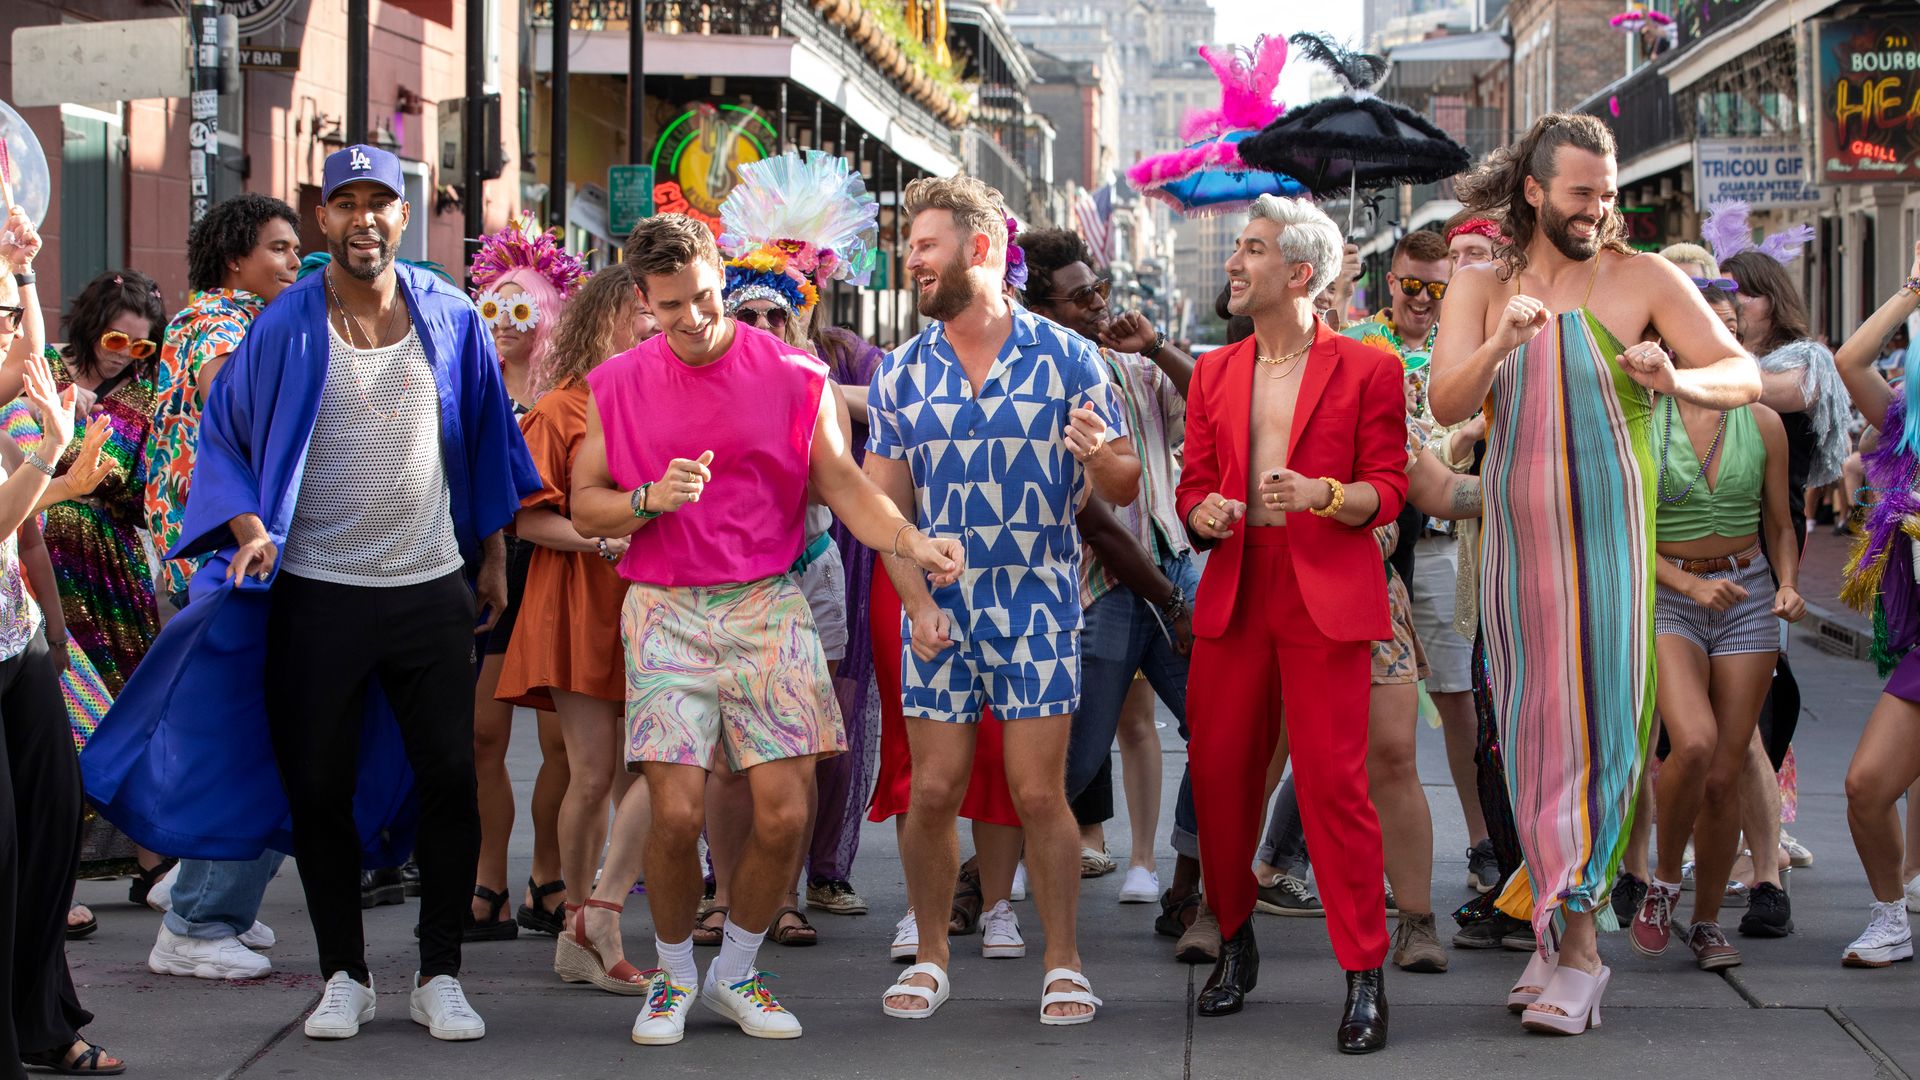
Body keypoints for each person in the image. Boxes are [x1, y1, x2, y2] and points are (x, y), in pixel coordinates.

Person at [80, 144, 541, 1043]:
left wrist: (490, 557)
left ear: (403, 215)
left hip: (426, 589)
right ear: (323, 218)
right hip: (315, 595)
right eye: (345, 203)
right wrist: (249, 533)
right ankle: (346, 974)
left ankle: (441, 972)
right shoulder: (285, 324)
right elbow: (227, 443)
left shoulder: (448, 312)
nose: (363, 217)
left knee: (452, 782)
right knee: (317, 789)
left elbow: (485, 439)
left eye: (381, 201)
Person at [569, 212, 960, 1045]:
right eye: (672, 307)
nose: (696, 319)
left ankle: (737, 972)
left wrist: (908, 540)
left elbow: (845, 485)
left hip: (768, 603)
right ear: (644, 299)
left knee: (786, 811)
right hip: (666, 608)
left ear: (722, 274)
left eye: (706, 297)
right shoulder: (619, 383)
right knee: (674, 815)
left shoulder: (793, 372)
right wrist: (647, 501)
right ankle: (673, 979)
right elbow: (585, 500)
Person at [1432, 113, 1758, 1035]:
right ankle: (1549, 929)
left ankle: (1582, 951)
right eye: (1582, 193)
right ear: (1534, 191)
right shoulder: (1481, 281)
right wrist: (1503, 341)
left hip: (1613, 548)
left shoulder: (1645, 279)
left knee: (1605, 740)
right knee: (1533, 744)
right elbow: (1447, 397)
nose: (1598, 210)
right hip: (1518, 555)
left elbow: (1742, 373)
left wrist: (1676, 380)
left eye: (1607, 194)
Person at [867, 177, 1139, 1026]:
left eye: (927, 245)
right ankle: (934, 956)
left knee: (1037, 793)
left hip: (1039, 605)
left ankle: (1064, 961)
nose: (911, 259)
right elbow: (884, 513)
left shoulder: (1068, 357)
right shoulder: (900, 372)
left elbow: (1125, 484)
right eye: (910, 246)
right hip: (940, 611)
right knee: (934, 792)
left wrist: (1098, 455)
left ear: (979, 249)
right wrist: (916, 604)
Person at [1178, 194, 1407, 1053]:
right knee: (1222, 778)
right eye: (1238, 249)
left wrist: (1329, 496)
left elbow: (1388, 485)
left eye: (1252, 249)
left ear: (1299, 272)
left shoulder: (1368, 368)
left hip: (1325, 594)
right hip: (1239, 585)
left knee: (1333, 787)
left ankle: (1363, 974)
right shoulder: (1213, 371)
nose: (1235, 264)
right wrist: (1204, 516)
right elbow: (1192, 483)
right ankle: (1235, 941)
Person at [142, 192, 301, 981]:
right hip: (227, 562)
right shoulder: (219, 321)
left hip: (240, 560)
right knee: (250, 738)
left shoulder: (253, 320)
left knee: (266, 734)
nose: (293, 260)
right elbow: (234, 397)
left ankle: (208, 891)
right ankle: (198, 917)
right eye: (277, 248)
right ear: (236, 259)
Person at [1018, 226, 1201, 915]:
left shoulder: (1133, 367)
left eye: (1098, 289)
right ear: (1043, 311)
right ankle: (988, 877)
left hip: (1171, 567)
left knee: (1218, 730)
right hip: (1098, 586)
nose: (1098, 304)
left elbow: (1208, 404)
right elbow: (1098, 509)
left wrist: (1153, 345)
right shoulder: (1039, 379)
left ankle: (1186, 882)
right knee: (1073, 756)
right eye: (1079, 297)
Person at [1628, 286, 1805, 972]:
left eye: (1732, 333)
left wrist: (1788, 584)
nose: (1722, 344)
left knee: (1726, 772)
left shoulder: (1761, 422)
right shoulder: (1645, 415)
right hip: (1670, 591)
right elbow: (1630, 534)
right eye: (1709, 332)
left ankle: (1703, 922)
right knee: (1692, 743)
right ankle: (1663, 880)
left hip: (1748, 591)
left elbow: (1780, 525)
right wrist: (1690, 583)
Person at [495, 265, 656, 992]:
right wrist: (598, 540)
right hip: (579, 602)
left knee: (643, 772)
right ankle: (577, 922)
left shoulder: (662, 397)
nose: (652, 326)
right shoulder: (561, 408)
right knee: (593, 774)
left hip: (651, 601)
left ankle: (596, 914)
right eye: (641, 313)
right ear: (605, 320)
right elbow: (527, 517)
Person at [0, 220, 127, 1077]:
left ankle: (41, 1023)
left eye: (11, 315)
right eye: (2, 316)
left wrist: (26, 265)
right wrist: (50, 456)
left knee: (50, 835)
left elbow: (32, 346)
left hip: (11, 649)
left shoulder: (7, 384)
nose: (16, 330)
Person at [467, 216, 589, 942]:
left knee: (563, 748)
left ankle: (549, 876)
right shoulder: (468, 386)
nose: (505, 323)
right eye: (492, 307)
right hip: (486, 572)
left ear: (545, 314)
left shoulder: (570, 394)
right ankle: (490, 881)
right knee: (483, 735)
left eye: (521, 308)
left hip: (551, 570)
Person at [1829, 240, 1920, 968]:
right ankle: (1892, 916)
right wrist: (1911, 290)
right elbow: (1851, 361)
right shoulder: (1904, 442)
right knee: (1865, 785)